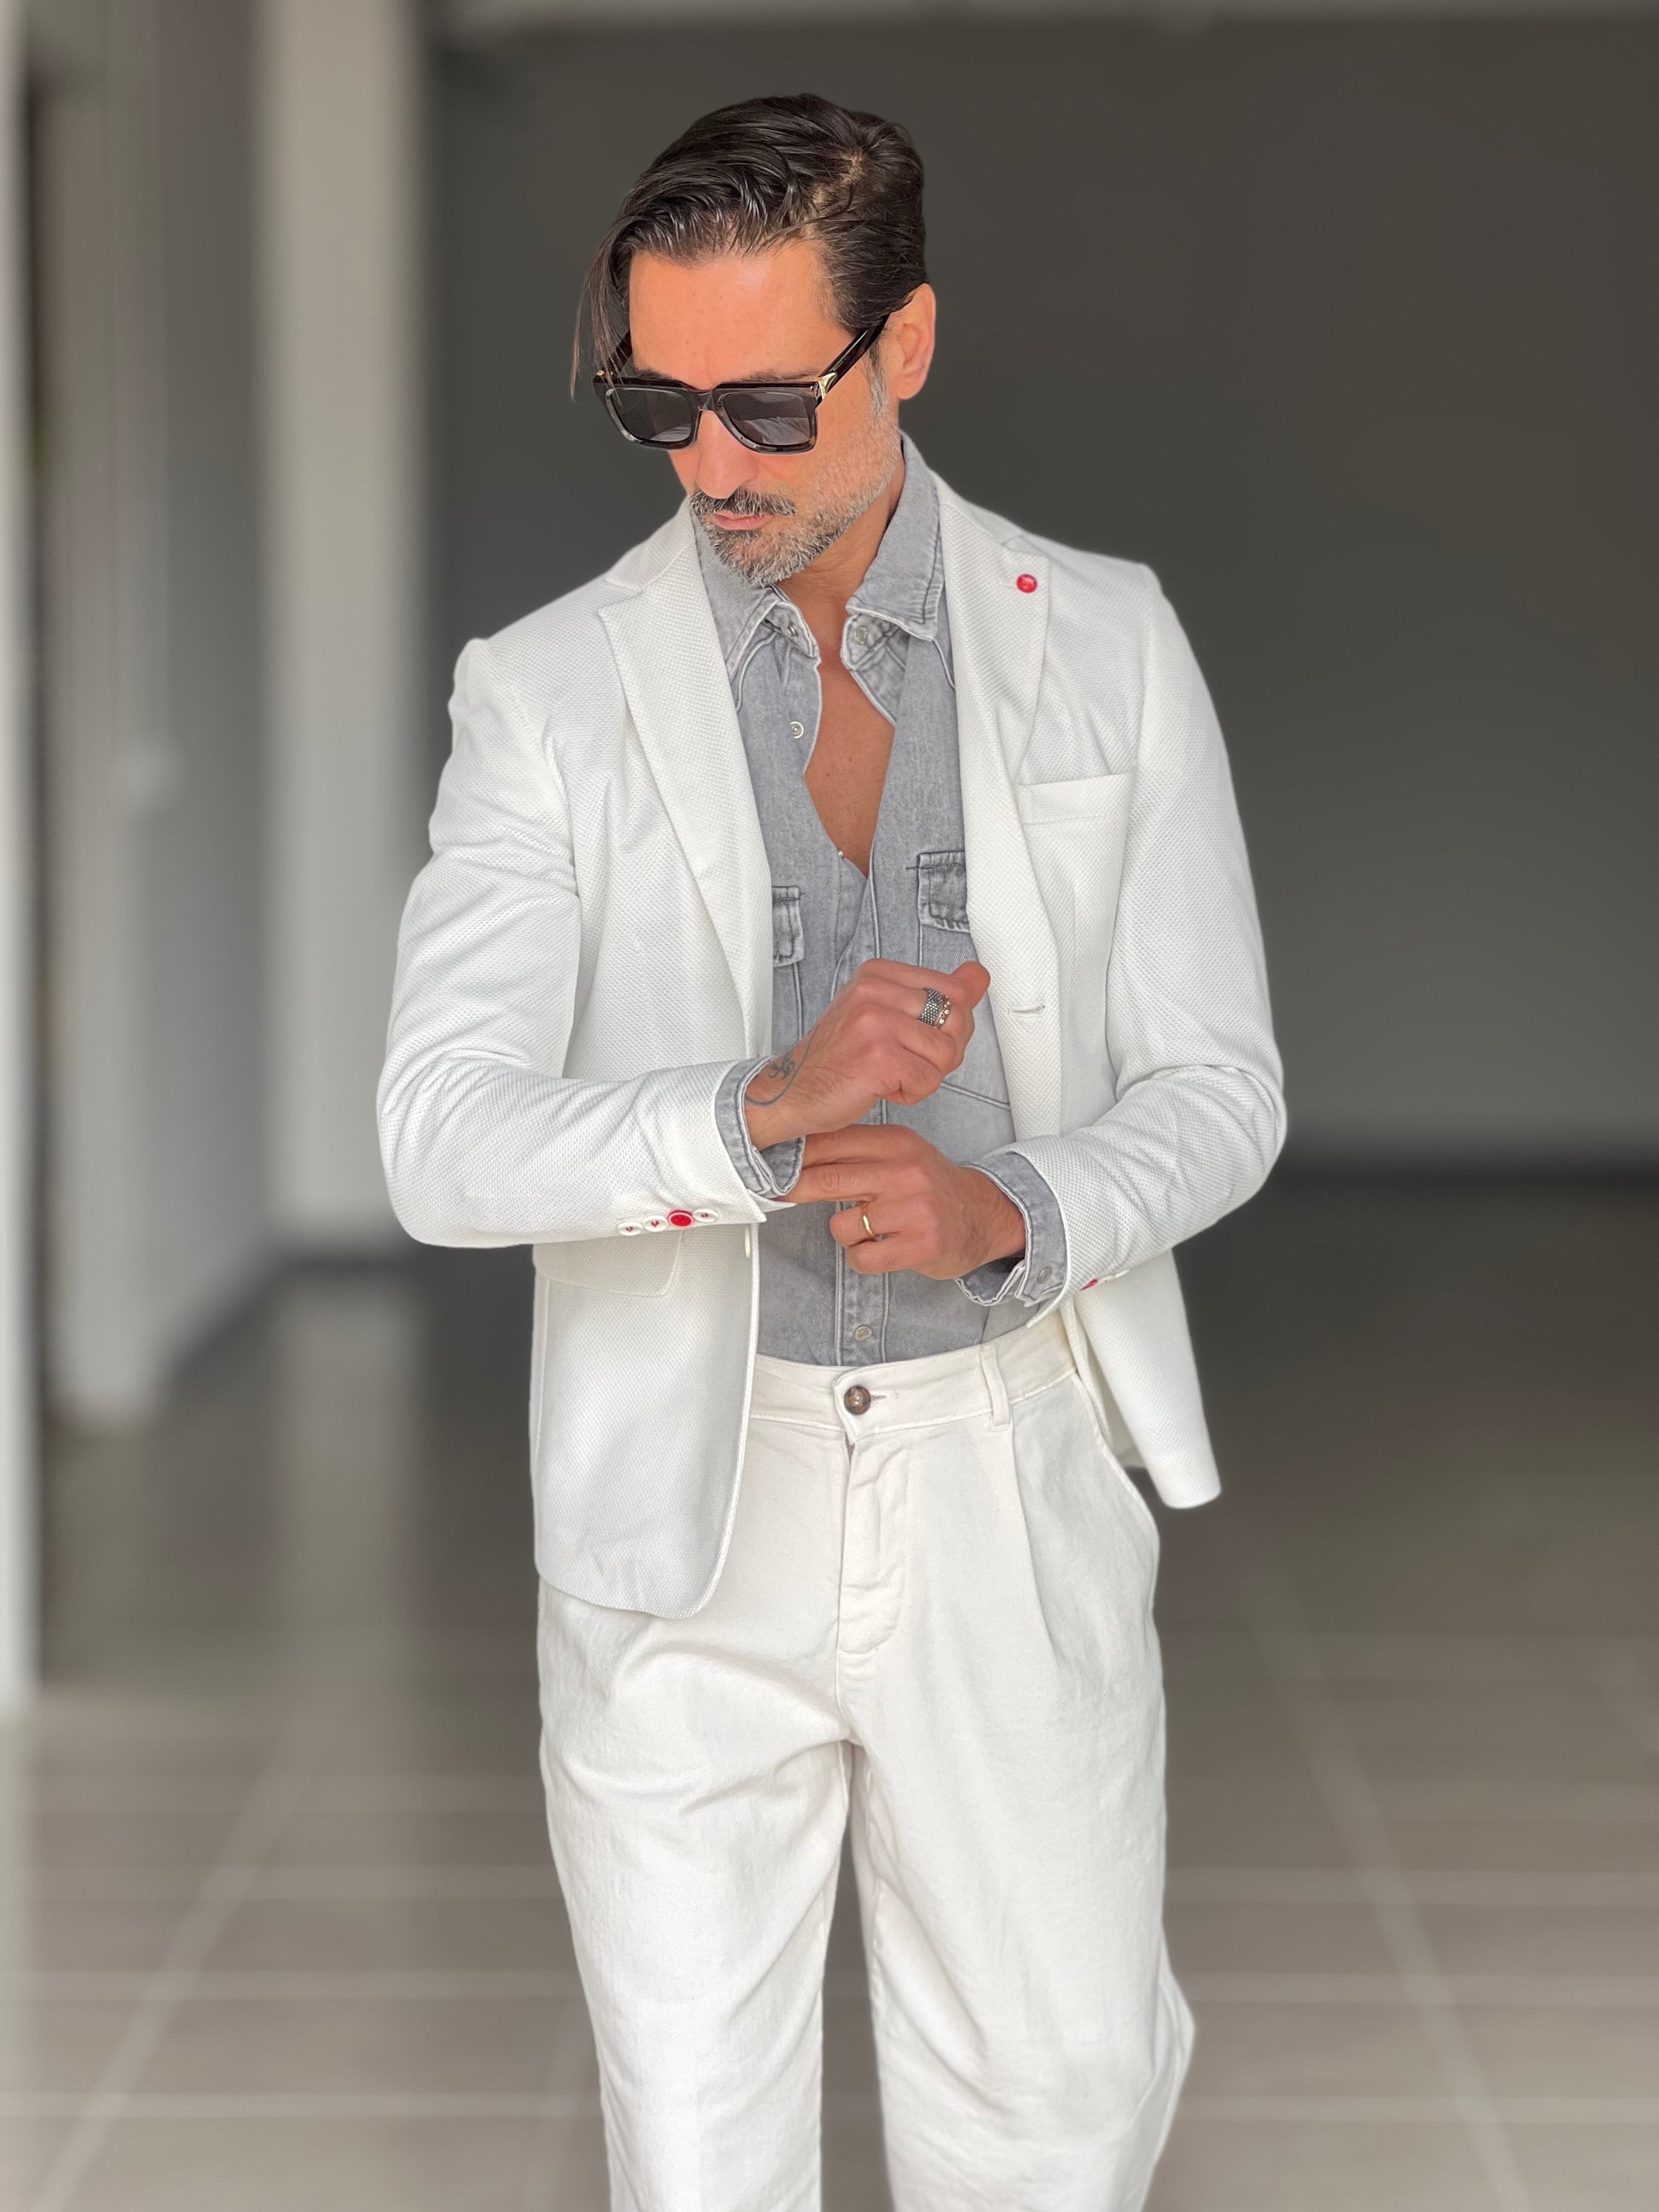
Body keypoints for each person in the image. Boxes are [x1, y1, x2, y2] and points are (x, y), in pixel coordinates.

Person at [379, 92, 1283, 2212]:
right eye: (659, 407)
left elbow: (1220, 1083)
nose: (714, 466)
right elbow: (438, 1138)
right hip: (687, 1502)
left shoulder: (1109, 637)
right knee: (697, 2156)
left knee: (1055, 2113)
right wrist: (759, 1111)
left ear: (909, 345)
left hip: (1008, 1467)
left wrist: (1012, 1204)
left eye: (771, 404)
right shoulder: (542, 693)